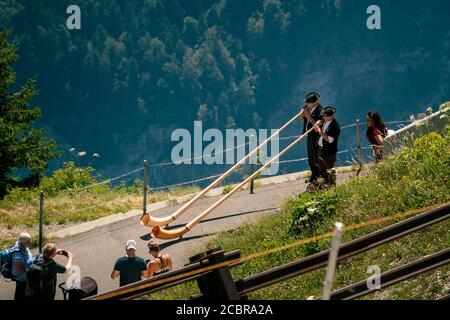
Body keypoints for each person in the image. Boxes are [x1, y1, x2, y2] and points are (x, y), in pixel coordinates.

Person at [300, 92, 324, 183]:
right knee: (311, 157)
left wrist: (308, 116)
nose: (306, 104)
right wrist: (302, 115)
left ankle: (320, 175)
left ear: (314, 103)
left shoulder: (321, 111)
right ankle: (314, 175)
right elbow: (304, 120)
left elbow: (317, 127)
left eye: (308, 102)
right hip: (309, 135)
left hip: (317, 136)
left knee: (317, 156)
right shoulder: (307, 108)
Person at [315, 106, 341, 187]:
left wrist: (319, 131)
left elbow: (329, 140)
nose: (323, 117)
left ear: (330, 116)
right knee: (321, 168)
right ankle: (323, 185)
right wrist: (319, 122)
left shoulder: (335, 127)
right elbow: (321, 120)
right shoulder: (325, 120)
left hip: (329, 152)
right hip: (321, 149)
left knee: (329, 169)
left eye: (325, 116)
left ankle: (332, 185)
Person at [11, 232, 33, 300]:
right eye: (28, 242)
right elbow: (18, 267)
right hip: (21, 277)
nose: (30, 243)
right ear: (23, 242)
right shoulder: (17, 252)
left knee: (20, 291)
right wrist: (29, 270)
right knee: (21, 292)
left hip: (24, 276)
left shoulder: (23, 246)